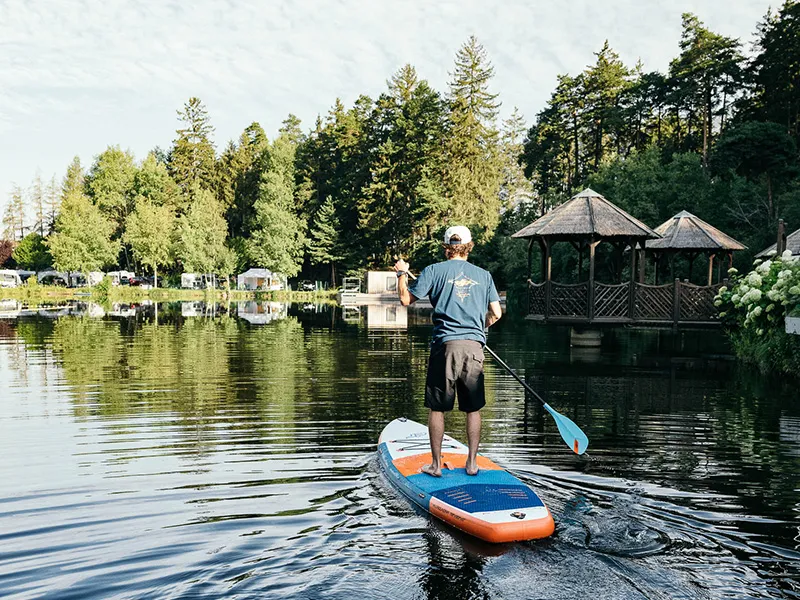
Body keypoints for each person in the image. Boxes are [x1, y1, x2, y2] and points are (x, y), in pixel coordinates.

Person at [394, 225, 502, 477]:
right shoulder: (484, 275)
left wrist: (401, 273)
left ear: (446, 247)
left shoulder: (434, 271)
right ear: (469, 246)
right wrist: (479, 327)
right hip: (474, 347)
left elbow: (405, 300)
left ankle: (435, 465)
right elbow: (496, 313)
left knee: (437, 408)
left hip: (445, 347)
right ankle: (472, 463)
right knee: (473, 408)